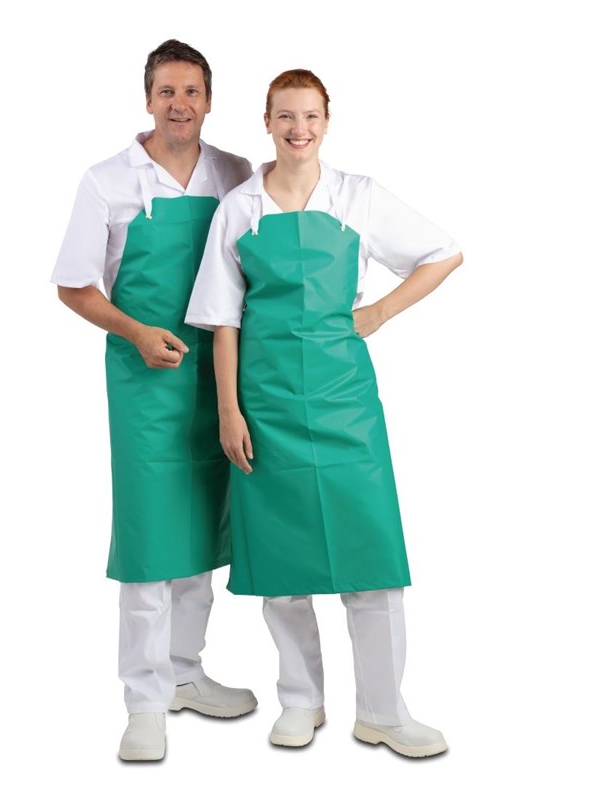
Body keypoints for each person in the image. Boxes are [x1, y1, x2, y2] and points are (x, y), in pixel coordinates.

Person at [185, 69, 463, 758]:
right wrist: (229, 410)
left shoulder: (357, 196)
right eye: (285, 116)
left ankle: (383, 711)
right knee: (283, 567)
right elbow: (222, 320)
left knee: (373, 563)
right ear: (267, 122)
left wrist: (380, 311)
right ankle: (301, 700)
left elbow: (443, 252)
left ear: (327, 121)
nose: (298, 128)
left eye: (310, 116)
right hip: (267, 404)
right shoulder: (240, 208)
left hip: (346, 406)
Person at [51, 39, 257, 762]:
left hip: (219, 377)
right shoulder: (108, 180)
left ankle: (184, 674)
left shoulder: (234, 173)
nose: (180, 104)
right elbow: (74, 286)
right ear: (148, 99)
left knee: (202, 529)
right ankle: (143, 703)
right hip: (145, 382)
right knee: (148, 541)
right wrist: (137, 332)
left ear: (209, 100)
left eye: (192, 91)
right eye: (167, 91)